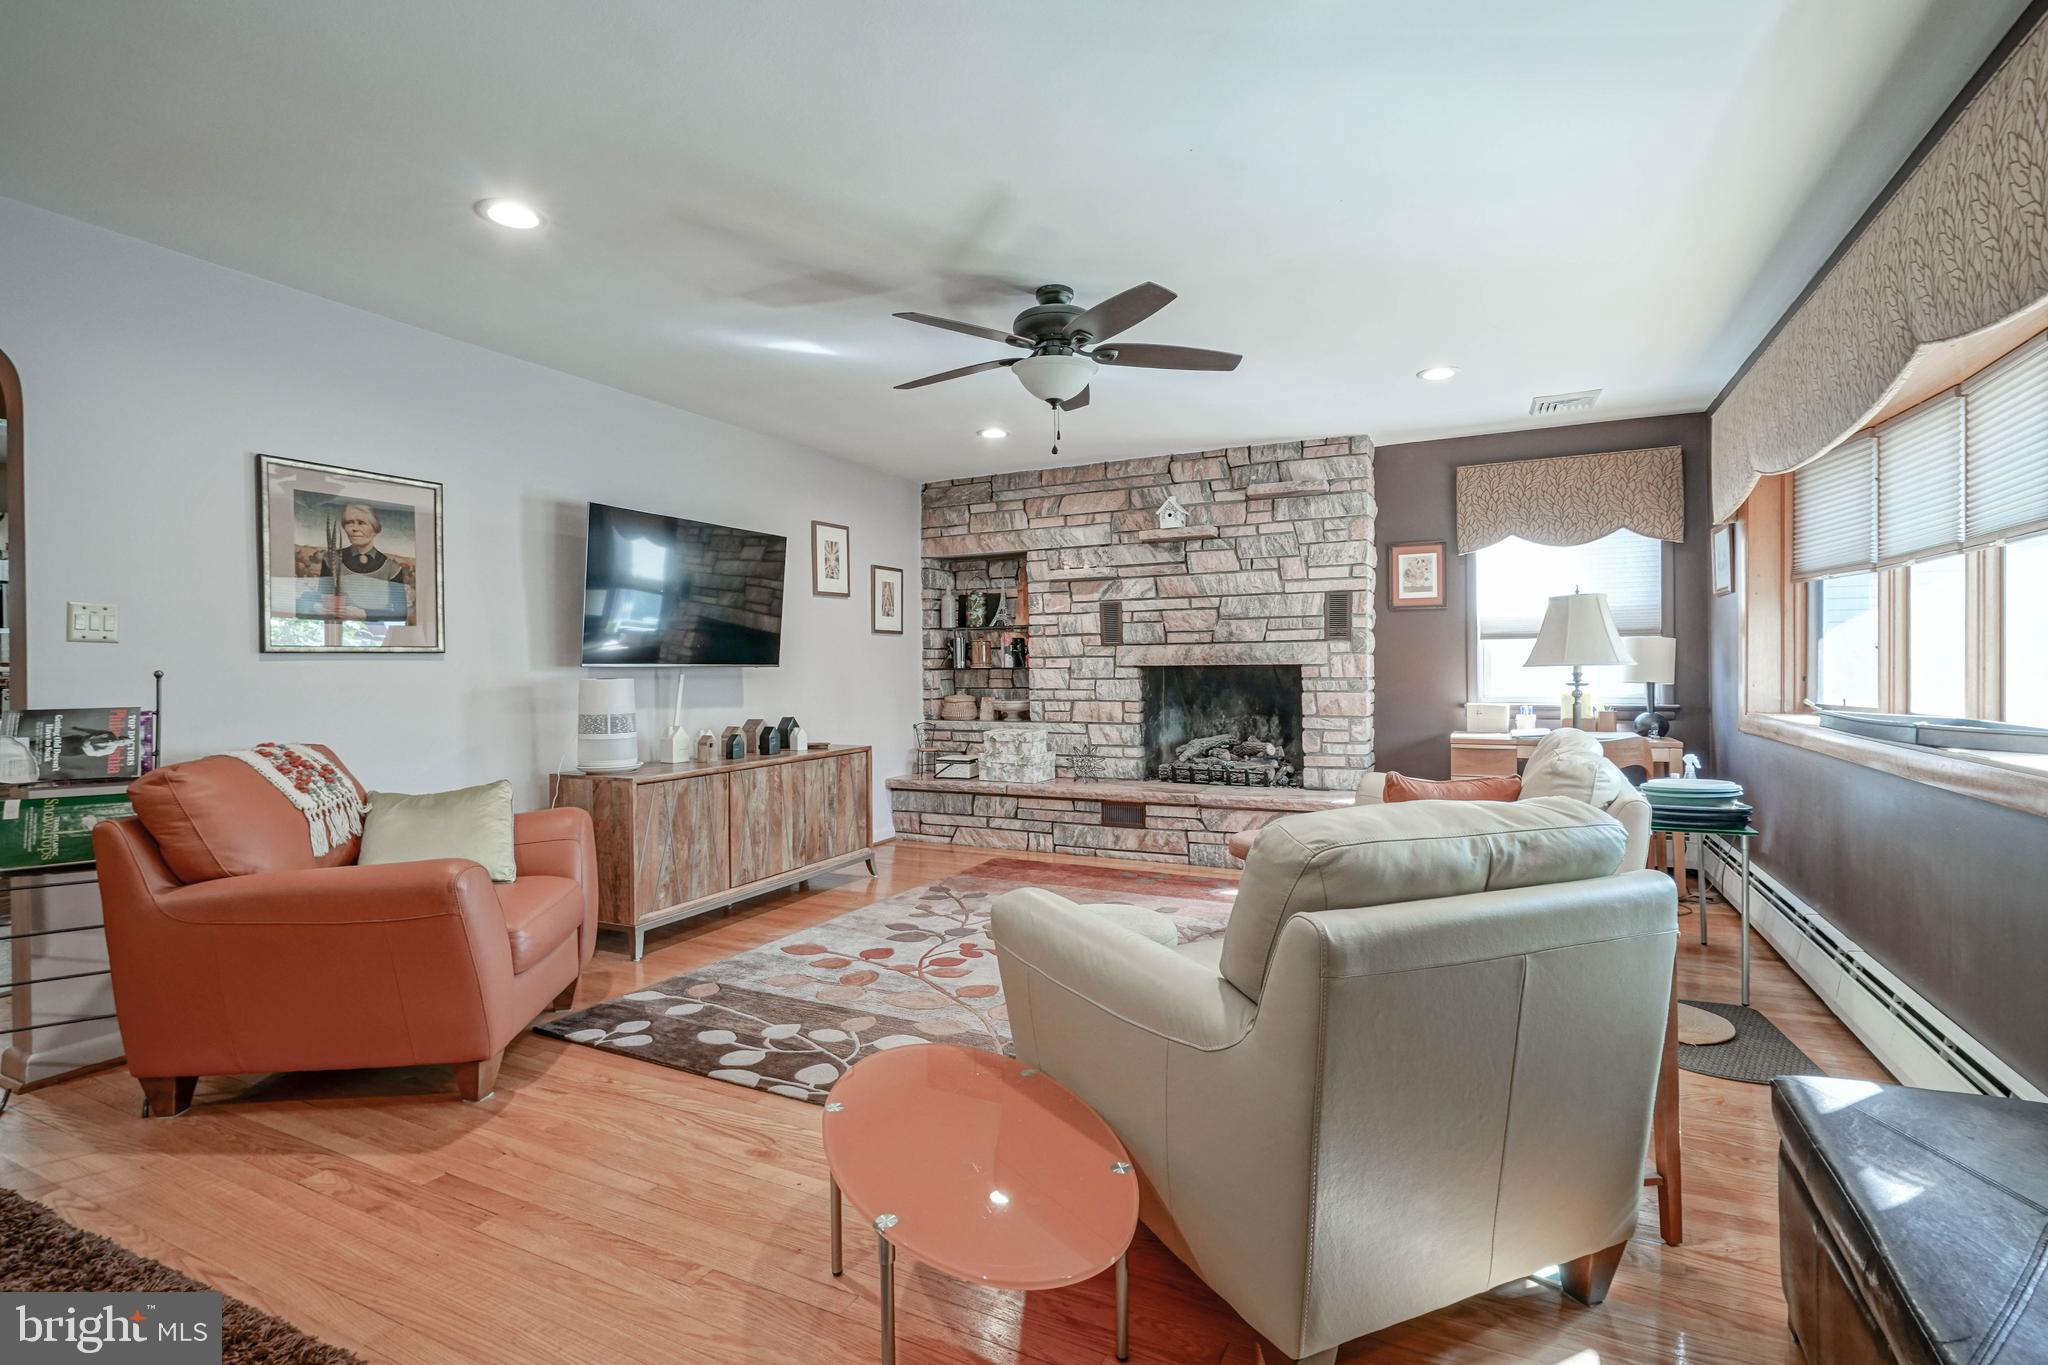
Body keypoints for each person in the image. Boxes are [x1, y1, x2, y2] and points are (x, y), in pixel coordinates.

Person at [300, 502, 412, 621]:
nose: (354, 529)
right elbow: (322, 596)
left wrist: (365, 614)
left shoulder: (391, 568)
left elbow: (400, 613)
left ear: (375, 529)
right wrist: (316, 606)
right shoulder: (331, 559)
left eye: (361, 523)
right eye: (349, 523)